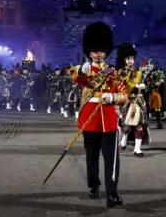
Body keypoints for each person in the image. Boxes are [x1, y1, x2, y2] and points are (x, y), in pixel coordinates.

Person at [68, 22, 128, 208]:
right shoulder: (85, 71)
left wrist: (113, 97)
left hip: (109, 120)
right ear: (89, 51)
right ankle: (93, 185)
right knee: (91, 156)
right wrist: (82, 69)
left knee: (112, 159)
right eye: (95, 50)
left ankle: (112, 193)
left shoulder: (113, 72)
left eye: (102, 50)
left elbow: (124, 95)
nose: (99, 54)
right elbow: (74, 76)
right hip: (90, 120)